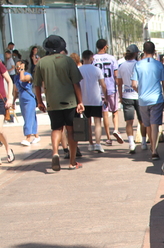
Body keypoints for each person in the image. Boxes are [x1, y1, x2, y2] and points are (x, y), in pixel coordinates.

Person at [33, 35, 85, 170]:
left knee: (56, 128)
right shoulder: (68, 61)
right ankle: (72, 162)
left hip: (52, 102)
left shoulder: (41, 63)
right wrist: (80, 101)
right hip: (70, 102)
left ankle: (55, 152)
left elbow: (37, 85)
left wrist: (39, 101)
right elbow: (76, 83)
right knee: (71, 130)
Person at [131, 41, 164, 161]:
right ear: (154, 51)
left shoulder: (138, 65)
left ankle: (151, 147)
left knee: (147, 124)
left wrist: (140, 92)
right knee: (155, 124)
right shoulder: (159, 65)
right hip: (156, 98)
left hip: (143, 99)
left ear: (144, 51)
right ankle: (154, 150)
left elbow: (134, 84)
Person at [117, 44, 147, 154]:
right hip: (139, 95)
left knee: (129, 122)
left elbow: (119, 83)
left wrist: (120, 95)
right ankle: (143, 142)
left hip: (127, 95)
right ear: (135, 54)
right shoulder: (139, 65)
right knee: (142, 120)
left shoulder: (121, 66)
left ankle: (131, 143)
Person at [92, 39, 123, 145]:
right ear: (105, 47)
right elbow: (116, 74)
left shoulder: (93, 59)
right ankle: (115, 129)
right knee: (115, 111)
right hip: (111, 87)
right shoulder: (111, 58)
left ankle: (108, 138)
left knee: (104, 114)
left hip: (99, 89)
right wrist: (118, 85)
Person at [79, 50, 107, 153]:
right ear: (91, 58)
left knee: (88, 123)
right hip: (95, 99)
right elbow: (103, 85)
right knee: (98, 123)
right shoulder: (97, 70)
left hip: (83, 99)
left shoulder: (79, 70)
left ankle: (90, 143)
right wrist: (106, 97)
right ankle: (98, 144)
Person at [13, 59, 39, 146]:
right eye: (16, 66)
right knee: (29, 117)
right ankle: (36, 135)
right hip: (22, 99)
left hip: (29, 99)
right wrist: (13, 101)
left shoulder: (28, 75)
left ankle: (28, 138)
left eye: (19, 66)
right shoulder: (16, 77)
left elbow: (23, 78)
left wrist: (22, 70)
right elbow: (16, 90)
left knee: (29, 117)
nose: (17, 68)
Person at [0, 58, 15, 165]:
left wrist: (10, 98)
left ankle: (8, 149)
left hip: (0, 100)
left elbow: (9, 80)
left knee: (0, 130)